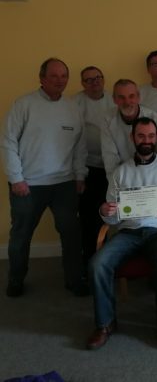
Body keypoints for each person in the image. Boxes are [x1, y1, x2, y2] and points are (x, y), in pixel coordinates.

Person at [86, 117, 157, 350]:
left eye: (151, 136)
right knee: (97, 264)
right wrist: (105, 211)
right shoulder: (121, 173)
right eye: (141, 136)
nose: (146, 141)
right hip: (128, 233)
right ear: (133, 138)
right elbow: (113, 217)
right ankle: (105, 323)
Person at [1, 58, 88, 297]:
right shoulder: (24, 104)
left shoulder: (73, 108)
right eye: (54, 76)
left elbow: (80, 146)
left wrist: (80, 175)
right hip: (28, 184)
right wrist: (16, 177)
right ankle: (16, 279)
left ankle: (74, 279)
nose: (60, 81)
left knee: (71, 233)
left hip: (64, 184)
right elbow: (8, 142)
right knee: (21, 234)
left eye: (63, 76)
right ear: (41, 78)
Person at [73, 65, 116, 269]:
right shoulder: (75, 103)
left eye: (98, 77)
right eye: (89, 79)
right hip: (88, 169)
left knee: (113, 214)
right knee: (89, 218)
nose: (94, 82)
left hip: (114, 168)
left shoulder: (113, 100)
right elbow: (75, 141)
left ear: (103, 79)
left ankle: (111, 259)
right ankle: (89, 261)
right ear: (82, 83)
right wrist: (79, 175)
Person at [101, 79, 157, 178]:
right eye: (121, 97)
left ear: (138, 97)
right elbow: (110, 160)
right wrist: (114, 188)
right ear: (114, 99)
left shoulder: (154, 119)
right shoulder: (108, 121)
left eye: (131, 96)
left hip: (154, 174)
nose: (127, 102)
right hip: (125, 175)